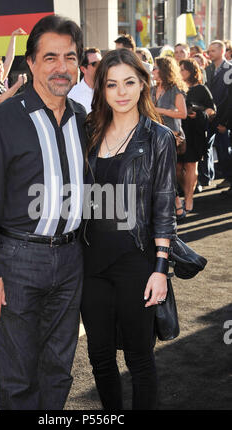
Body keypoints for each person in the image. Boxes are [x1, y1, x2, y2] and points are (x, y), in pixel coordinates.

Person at [0, 14, 86, 410]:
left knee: (59, 372)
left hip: (70, 260)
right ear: (30, 63)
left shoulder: (83, 120)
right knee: (16, 381)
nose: (61, 67)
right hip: (16, 262)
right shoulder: (3, 122)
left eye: (69, 57)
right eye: (50, 57)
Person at [81, 48, 177, 410]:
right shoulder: (88, 130)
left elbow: (165, 207)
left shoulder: (159, 138)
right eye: (111, 84)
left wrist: (160, 269)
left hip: (136, 261)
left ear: (142, 85)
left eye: (129, 82)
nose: (121, 92)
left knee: (139, 360)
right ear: (102, 89)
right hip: (90, 262)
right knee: (100, 357)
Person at [151, 56, 187, 220]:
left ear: (164, 70)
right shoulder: (152, 89)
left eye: (155, 68)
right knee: (158, 174)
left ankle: (177, 206)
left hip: (172, 135)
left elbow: (182, 114)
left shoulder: (175, 90)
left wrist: (160, 110)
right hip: (153, 135)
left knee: (165, 173)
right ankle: (172, 207)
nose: (152, 71)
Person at [178, 59, 216, 212]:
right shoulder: (177, 88)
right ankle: (186, 191)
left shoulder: (201, 89)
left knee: (190, 165)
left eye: (183, 69)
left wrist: (199, 114)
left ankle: (188, 199)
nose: (181, 72)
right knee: (177, 168)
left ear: (192, 71)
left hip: (194, 132)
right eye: (179, 69)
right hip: (179, 130)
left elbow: (212, 110)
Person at [202, 40, 232, 190]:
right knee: (206, 147)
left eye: (212, 50)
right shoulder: (208, 69)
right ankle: (207, 177)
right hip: (209, 117)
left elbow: (229, 99)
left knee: (224, 150)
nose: (209, 53)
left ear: (221, 51)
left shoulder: (230, 70)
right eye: (209, 50)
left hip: (223, 118)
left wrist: (225, 122)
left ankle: (229, 178)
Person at [0, 28, 28, 112]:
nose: (1, 70)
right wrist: (18, 84)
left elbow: (10, 58)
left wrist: (13, 36)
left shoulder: (0, 81)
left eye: (1, 67)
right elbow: (0, 99)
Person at [68, 47, 102, 113]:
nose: (100, 67)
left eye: (101, 63)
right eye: (95, 64)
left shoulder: (109, 90)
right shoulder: (72, 96)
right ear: (83, 69)